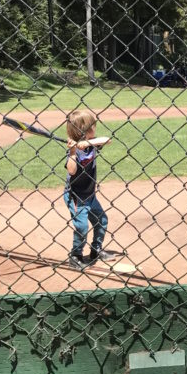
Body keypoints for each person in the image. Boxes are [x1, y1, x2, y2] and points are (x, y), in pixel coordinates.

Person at [64, 109, 112, 268]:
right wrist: (72, 151)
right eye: (93, 126)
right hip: (76, 196)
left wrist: (88, 143)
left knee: (102, 220)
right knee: (82, 226)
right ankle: (76, 255)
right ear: (84, 130)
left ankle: (95, 250)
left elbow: (108, 140)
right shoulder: (74, 150)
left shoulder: (93, 144)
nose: (95, 128)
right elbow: (71, 171)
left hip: (90, 194)